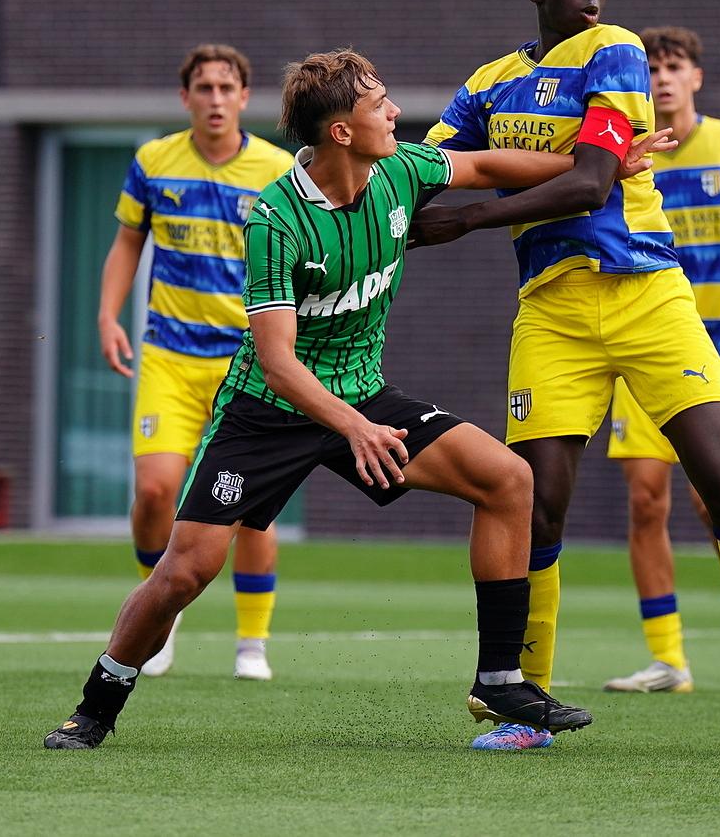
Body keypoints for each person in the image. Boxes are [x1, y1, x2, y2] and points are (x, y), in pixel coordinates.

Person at [44, 48, 665, 749]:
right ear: (341, 131)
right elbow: (277, 362)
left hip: (363, 394)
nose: (396, 112)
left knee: (507, 479)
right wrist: (355, 427)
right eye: (379, 103)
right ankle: (97, 703)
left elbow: (485, 167)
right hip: (268, 411)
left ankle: (499, 677)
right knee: (188, 569)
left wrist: (599, 167)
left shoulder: (402, 169)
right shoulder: (277, 217)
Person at [419, 0, 720, 753]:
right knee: (536, 500)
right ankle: (526, 703)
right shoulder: (489, 82)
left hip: (650, 295)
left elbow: (586, 181)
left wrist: (469, 210)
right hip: (551, 310)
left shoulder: (615, 52)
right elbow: (422, 171)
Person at [602, 26, 720, 694]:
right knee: (646, 499)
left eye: (674, 65)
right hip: (642, 344)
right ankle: (668, 658)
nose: (661, 76)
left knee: (717, 497)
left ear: (696, 77)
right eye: (650, 66)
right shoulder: (626, 151)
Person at [99, 44, 294, 680]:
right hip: (170, 358)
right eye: (203, 88)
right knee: (156, 490)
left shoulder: (277, 168)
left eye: (225, 88)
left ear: (244, 97)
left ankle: (252, 643)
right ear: (186, 99)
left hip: (249, 362)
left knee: (250, 504)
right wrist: (107, 315)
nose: (214, 99)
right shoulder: (154, 162)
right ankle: (161, 616)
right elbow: (129, 241)